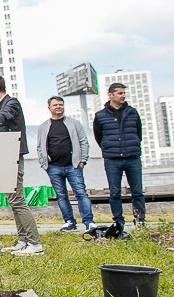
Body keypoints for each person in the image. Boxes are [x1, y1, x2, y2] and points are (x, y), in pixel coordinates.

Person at [0, 75, 42, 255]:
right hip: (6, 156)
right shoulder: (2, 105)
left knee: (17, 199)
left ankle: (35, 243)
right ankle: (23, 239)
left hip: (13, 156)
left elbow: (5, 116)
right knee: (12, 199)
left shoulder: (11, 103)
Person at [93, 82, 144, 237]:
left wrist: (131, 147)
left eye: (123, 93)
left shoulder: (132, 112)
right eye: (120, 93)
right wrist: (110, 148)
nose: (123, 96)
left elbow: (138, 133)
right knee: (114, 192)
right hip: (112, 159)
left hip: (132, 157)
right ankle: (119, 222)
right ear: (110, 95)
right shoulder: (100, 116)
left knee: (137, 191)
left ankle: (140, 219)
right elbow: (99, 137)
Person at [37, 96, 94, 233]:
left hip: (73, 166)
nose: (58, 107)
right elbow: (40, 147)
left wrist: (83, 160)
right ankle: (69, 222)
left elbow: (83, 141)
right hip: (53, 167)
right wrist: (44, 164)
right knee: (61, 195)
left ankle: (89, 222)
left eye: (61, 104)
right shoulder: (43, 127)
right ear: (49, 108)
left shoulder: (74, 123)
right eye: (55, 105)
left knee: (81, 193)